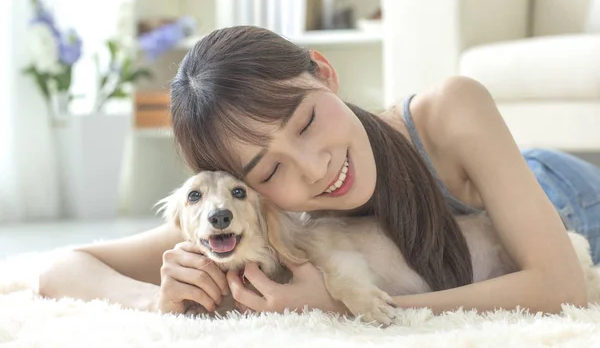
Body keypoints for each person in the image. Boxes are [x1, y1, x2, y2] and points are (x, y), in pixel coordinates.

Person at [39, 26, 600, 316]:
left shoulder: (451, 110)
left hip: (566, 193)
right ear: (248, 187)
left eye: (305, 121)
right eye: (269, 167)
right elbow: (63, 269)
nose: (314, 167)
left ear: (325, 74)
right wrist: (151, 299)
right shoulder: (263, 209)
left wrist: (356, 309)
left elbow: (560, 285)